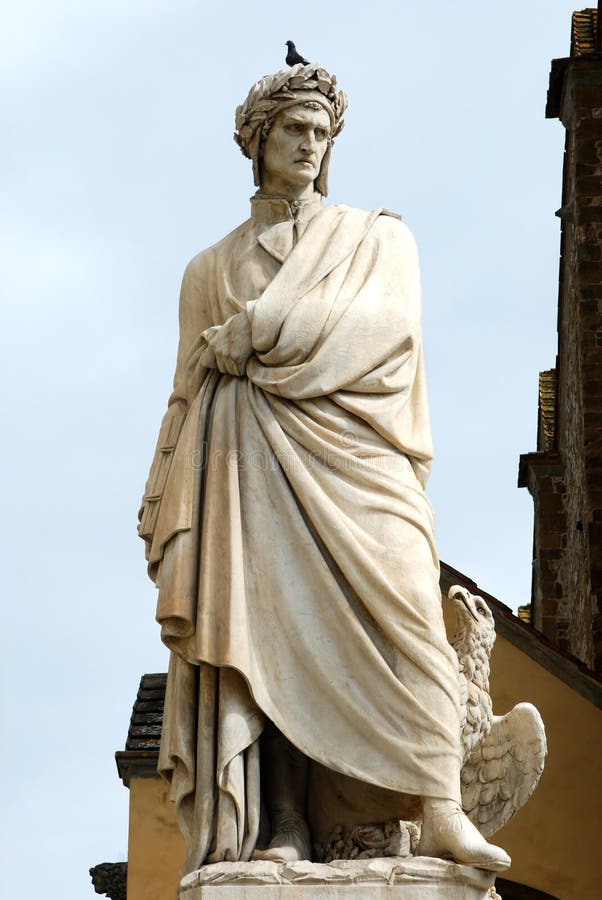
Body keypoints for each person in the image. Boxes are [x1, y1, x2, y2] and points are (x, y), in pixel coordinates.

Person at [139, 63, 511, 875]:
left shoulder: (378, 238)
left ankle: (439, 807)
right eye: (293, 130)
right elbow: (185, 386)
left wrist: (262, 330)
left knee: (412, 610)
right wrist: (165, 499)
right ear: (258, 142)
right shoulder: (208, 270)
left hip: (360, 459)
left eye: (321, 133)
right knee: (259, 635)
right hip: (245, 466)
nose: (310, 145)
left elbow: (387, 331)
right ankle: (282, 826)